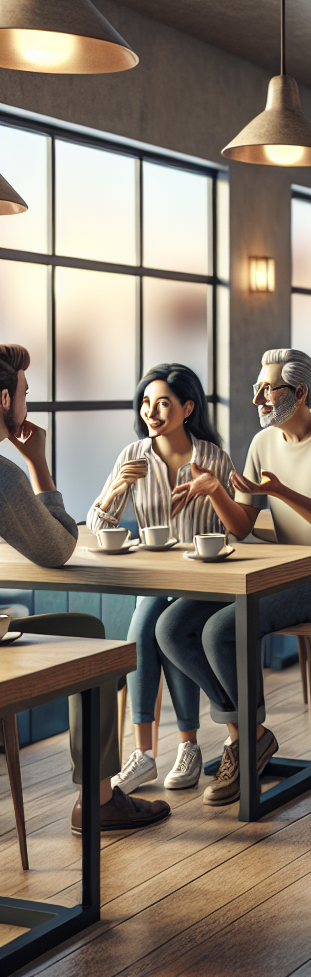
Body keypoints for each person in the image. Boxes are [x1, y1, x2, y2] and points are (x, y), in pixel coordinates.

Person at [156, 349, 311, 807]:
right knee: (170, 627)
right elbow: (242, 527)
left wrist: (279, 491)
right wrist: (215, 492)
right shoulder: (261, 443)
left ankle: (245, 743)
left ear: (301, 393)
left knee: (222, 630)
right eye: (257, 387)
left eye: (267, 389)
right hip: (282, 571)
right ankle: (249, 735)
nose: (257, 398)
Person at [0, 344, 169, 832]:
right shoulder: (4, 476)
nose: (27, 406)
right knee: (93, 642)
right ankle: (97, 801)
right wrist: (38, 463)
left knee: (83, 628)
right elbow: (58, 547)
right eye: (25, 395)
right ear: (3, 398)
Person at [88, 363, 238, 795]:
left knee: (163, 626)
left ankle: (187, 746)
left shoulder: (212, 458)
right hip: (154, 579)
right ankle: (146, 756)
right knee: (144, 627)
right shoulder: (133, 456)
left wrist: (215, 491)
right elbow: (98, 524)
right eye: (146, 403)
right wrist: (118, 488)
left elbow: (235, 528)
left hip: (204, 583)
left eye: (163, 403)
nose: (150, 411)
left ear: (188, 407)